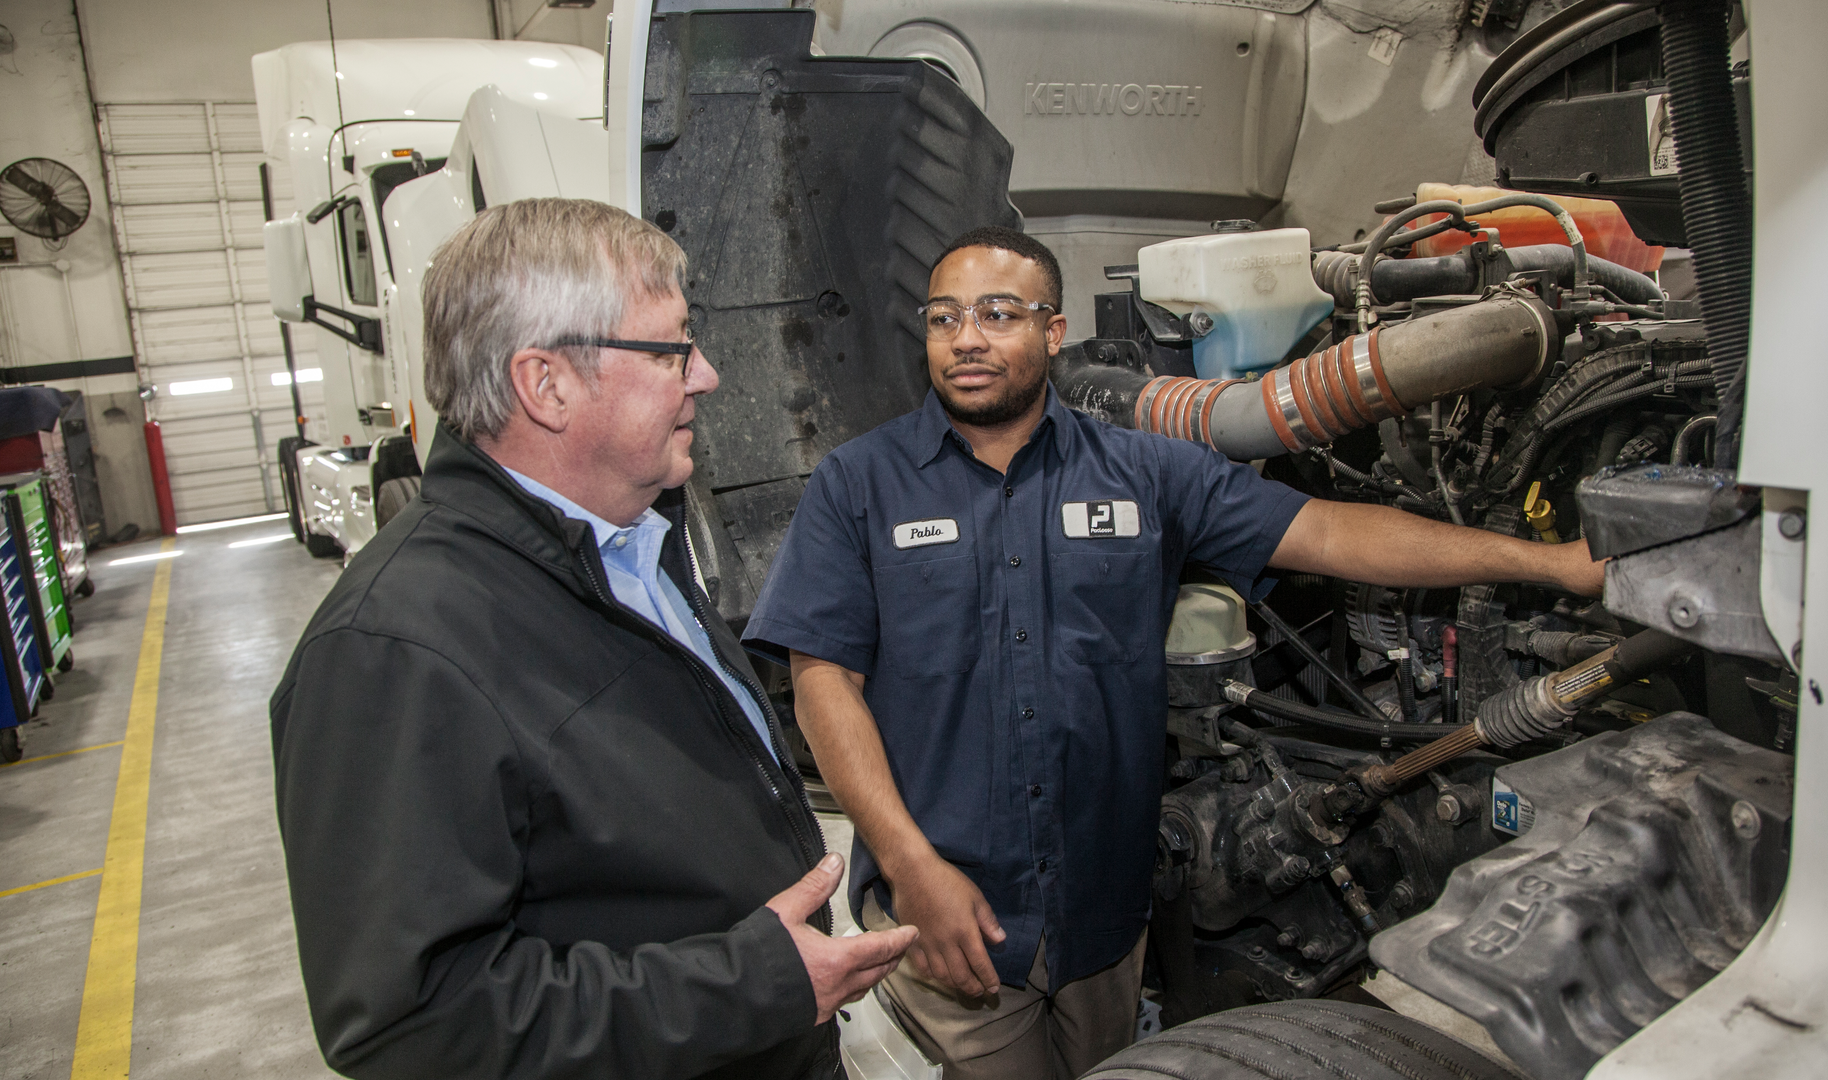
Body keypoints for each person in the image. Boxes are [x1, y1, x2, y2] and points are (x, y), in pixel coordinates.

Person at [742, 226, 1604, 1079]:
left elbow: (1334, 533)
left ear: (1053, 331)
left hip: (1104, 915)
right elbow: (823, 683)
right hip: (949, 912)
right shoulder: (858, 483)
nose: (966, 338)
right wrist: (909, 866)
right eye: (945, 317)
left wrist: (1552, 564)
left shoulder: (1145, 473)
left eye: (998, 313)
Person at [269, 198, 916, 1080]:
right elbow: (411, 1026)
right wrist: (747, 986)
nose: (707, 375)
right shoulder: (392, 650)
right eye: (672, 349)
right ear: (546, 385)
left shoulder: (633, 543)